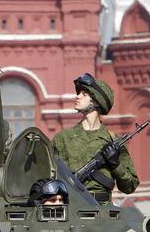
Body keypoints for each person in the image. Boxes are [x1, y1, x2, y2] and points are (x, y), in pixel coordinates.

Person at [52, 73, 139, 204]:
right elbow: (49, 177)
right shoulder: (62, 139)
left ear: (97, 101)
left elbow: (130, 186)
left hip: (103, 212)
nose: (77, 96)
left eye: (84, 94)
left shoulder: (113, 141)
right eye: (78, 93)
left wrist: (116, 164)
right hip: (72, 209)